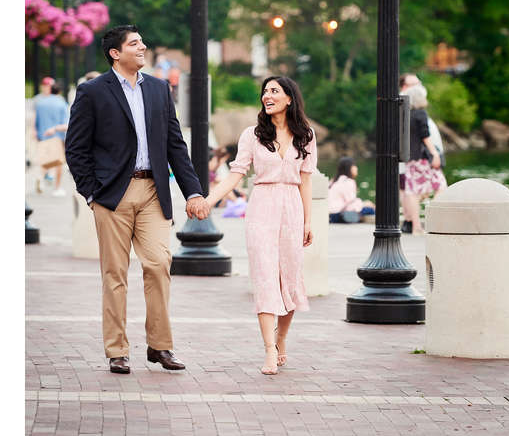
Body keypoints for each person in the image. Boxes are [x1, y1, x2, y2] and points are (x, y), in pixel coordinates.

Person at [65, 25, 209, 375]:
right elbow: (76, 148)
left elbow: (175, 144)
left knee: (159, 264)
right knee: (115, 274)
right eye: (134, 43)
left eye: (142, 41)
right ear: (115, 53)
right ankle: (117, 349)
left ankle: (159, 345)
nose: (143, 46)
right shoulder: (93, 92)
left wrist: (192, 190)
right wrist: (92, 193)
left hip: (153, 192)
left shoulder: (160, 89)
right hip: (111, 195)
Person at [205, 76, 316, 375]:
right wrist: (210, 200)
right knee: (266, 279)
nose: (267, 95)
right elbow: (235, 175)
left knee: (289, 280)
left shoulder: (306, 135)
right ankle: (268, 349)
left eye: (274, 91)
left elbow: (305, 182)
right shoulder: (252, 135)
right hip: (262, 208)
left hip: (292, 208)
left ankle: (281, 338)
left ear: (289, 98)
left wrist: (308, 221)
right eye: (265, 91)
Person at [402, 84, 447, 234]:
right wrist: (434, 153)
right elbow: (425, 136)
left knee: (412, 192)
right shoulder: (421, 114)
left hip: (410, 159)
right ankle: (433, 220)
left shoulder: (406, 115)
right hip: (423, 159)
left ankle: (416, 227)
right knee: (441, 186)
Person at [34, 76, 69, 196]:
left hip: (43, 136)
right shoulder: (61, 103)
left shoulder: (40, 103)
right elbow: (66, 123)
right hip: (57, 136)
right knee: (58, 162)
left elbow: (36, 121)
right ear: (59, 91)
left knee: (45, 160)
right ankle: (57, 188)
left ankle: (40, 177)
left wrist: (38, 134)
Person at [328, 157, 375, 223]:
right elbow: (351, 204)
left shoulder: (332, 182)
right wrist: (365, 204)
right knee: (370, 209)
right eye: (354, 166)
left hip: (331, 215)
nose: (356, 168)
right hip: (339, 214)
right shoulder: (348, 182)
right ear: (349, 168)